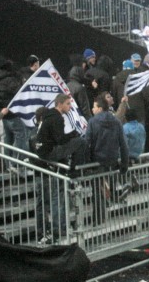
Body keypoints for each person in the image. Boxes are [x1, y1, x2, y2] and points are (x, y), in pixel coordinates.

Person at [85, 95, 129, 225]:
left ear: (99, 108)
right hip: (113, 161)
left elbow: (87, 143)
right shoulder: (116, 121)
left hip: (97, 162)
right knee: (108, 188)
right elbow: (123, 144)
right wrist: (124, 164)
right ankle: (104, 216)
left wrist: (87, 164)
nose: (92, 109)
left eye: (94, 107)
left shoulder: (92, 122)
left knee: (98, 191)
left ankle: (98, 218)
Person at [35, 94, 88, 175]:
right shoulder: (57, 118)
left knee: (73, 144)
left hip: (41, 149)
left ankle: (65, 170)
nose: (70, 106)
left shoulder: (49, 115)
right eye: (68, 104)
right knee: (81, 142)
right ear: (60, 104)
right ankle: (75, 172)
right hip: (48, 152)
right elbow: (61, 140)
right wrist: (72, 134)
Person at [0, 59, 28, 170]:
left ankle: (8, 165)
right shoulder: (10, 80)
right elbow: (20, 91)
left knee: (8, 138)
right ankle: (16, 162)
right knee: (20, 135)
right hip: (13, 112)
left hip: (4, 113)